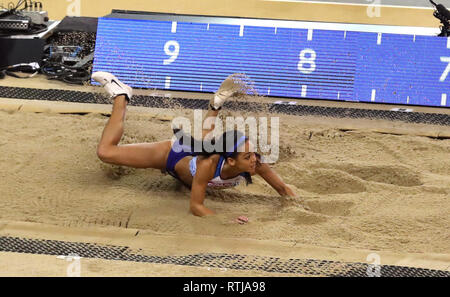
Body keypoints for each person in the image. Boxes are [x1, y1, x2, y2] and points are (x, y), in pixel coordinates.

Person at [92, 72, 297, 224]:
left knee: (202, 142)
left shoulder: (255, 164)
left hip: (199, 154)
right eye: (248, 156)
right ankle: (121, 95)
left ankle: (215, 107)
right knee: (106, 153)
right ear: (231, 161)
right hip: (173, 155)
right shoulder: (208, 165)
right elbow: (197, 207)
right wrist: (226, 219)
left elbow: (283, 190)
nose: (254, 160)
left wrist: (298, 209)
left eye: (252, 154)